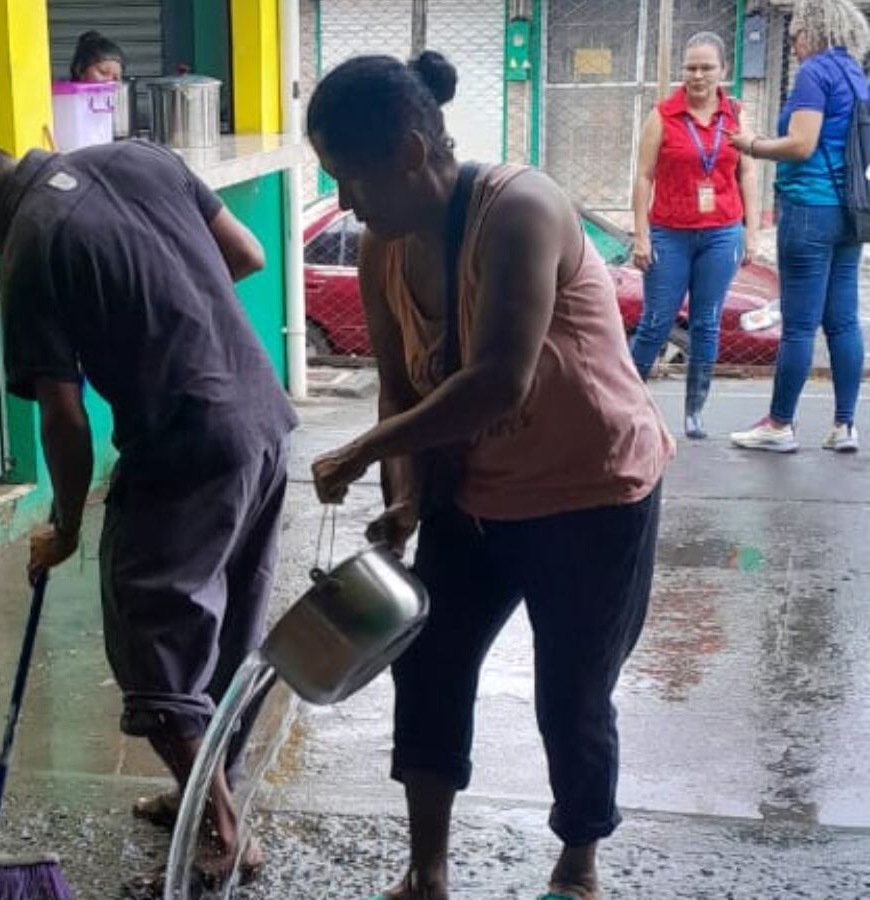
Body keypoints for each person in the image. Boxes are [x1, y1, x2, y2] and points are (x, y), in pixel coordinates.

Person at [307, 52, 674, 900]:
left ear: (407, 152)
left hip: (591, 493)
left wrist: (363, 452)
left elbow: (498, 379)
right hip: (473, 497)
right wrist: (401, 500)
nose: (347, 203)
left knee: (571, 693)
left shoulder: (521, 210)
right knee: (427, 666)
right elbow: (400, 388)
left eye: (350, 178)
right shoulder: (383, 251)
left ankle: (578, 865)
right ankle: (427, 870)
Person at [0, 135, 297, 883]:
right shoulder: (140, 158)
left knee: (153, 644)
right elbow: (246, 254)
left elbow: (64, 420)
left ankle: (222, 831)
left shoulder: (29, 250)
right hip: (263, 422)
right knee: (227, 627)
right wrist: (168, 310)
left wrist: (68, 525)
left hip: (183, 444)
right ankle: (205, 789)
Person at [728, 0, 870, 453]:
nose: (792, 42)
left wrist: (751, 144)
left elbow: (802, 144)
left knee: (799, 325)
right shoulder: (856, 77)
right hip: (850, 213)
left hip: (809, 209)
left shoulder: (815, 73)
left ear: (814, 29)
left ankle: (780, 424)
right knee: (843, 321)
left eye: (795, 34)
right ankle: (845, 425)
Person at [631, 31, 759, 440]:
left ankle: (694, 412)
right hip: (670, 233)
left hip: (721, 232)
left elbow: (749, 172)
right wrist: (641, 235)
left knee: (706, 323)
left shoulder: (735, 114)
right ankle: (627, 405)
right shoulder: (663, 115)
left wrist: (751, 232)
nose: (697, 75)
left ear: (724, 70)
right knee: (655, 322)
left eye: (706, 67)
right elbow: (643, 176)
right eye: (691, 67)